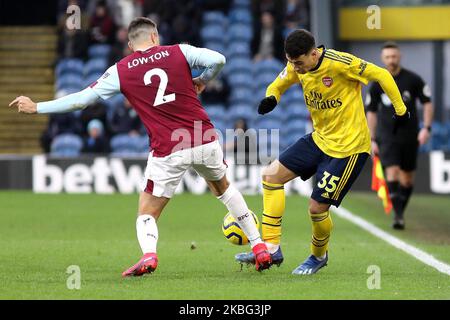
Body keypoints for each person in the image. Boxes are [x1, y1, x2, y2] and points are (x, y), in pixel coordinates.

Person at [9, 17, 272, 276]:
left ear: (131, 45)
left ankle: (149, 255)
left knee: (146, 212)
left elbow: (81, 100)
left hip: (168, 148)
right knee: (223, 189)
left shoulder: (121, 70)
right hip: (202, 136)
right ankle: (259, 246)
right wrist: (203, 78)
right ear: (155, 36)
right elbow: (219, 60)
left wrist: (37, 107)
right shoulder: (178, 51)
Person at [235, 29, 409, 275]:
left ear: (314, 54)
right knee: (270, 176)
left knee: (317, 208)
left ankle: (318, 256)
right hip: (320, 139)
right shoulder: (297, 65)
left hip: (349, 149)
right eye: (292, 62)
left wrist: (400, 110)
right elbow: (279, 82)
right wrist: (272, 97)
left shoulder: (341, 64)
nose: (296, 68)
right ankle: (272, 248)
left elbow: (380, 74)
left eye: (299, 62)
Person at [365, 42, 434, 230]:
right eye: (387, 57)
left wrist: (426, 128)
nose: (391, 60)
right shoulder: (377, 83)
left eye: (394, 56)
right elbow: (370, 112)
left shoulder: (413, 80)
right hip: (387, 135)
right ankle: (398, 216)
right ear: (382, 59)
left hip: (410, 134)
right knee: (392, 172)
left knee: (407, 179)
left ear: (399, 56)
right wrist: (372, 138)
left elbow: (427, 102)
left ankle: (399, 211)